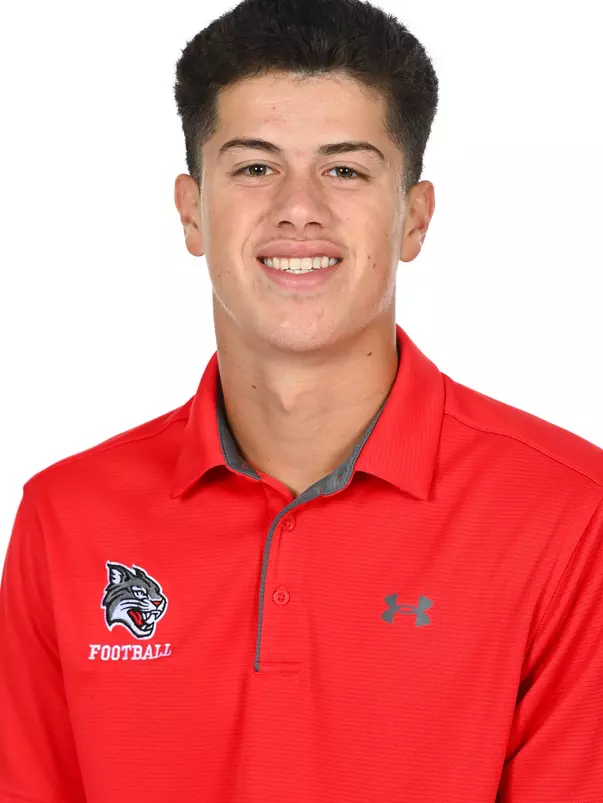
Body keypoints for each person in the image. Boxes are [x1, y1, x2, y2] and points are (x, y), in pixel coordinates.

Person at [1, 0, 602, 801]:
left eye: (344, 169)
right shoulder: (66, 516)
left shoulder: (569, 513)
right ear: (190, 210)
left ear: (413, 219)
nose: (298, 206)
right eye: (254, 166)